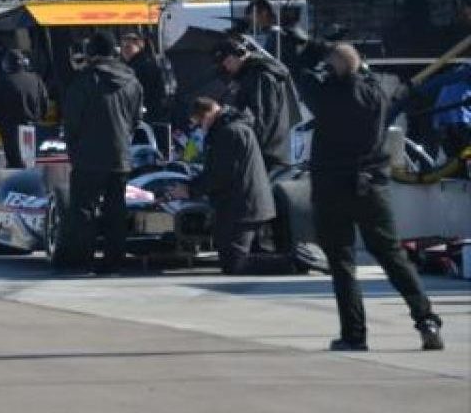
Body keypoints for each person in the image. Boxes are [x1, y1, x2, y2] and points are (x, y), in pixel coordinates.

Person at [290, 41, 443, 351]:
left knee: (342, 263)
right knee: (392, 255)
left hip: (332, 188)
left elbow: (299, 70)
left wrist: (314, 49)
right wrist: (351, 64)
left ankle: (354, 335)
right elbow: (365, 75)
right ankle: (426, 320)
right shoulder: (376, 94)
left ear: (332, 69)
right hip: (371, 187)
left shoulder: (323, 95)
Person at [181, 98, 305, 275]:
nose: (200, 128)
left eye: (199, 123)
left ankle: (294, 262)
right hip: (246, 204)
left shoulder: (229, 133)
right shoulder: (231, 129)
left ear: (207, 115)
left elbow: (220, 174)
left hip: (244, 207)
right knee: (240, 256)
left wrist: (190, 189)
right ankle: (289, 260)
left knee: (235, 263)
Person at [61, 32, 143, 273]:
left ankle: (81, 260)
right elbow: (136, 119)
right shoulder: (131, 80)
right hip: (121, 155)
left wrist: (74, 147)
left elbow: (72, 119)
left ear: (91, 53)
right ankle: (114, 261)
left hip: (88, 155)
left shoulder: (86, 79)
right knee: (115, 210)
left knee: (83, 209)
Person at [214, 36, 294, 176]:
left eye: (228, 61)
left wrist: (247, 148)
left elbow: (261, 118)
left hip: (266, 155)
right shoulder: (250, 76)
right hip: (270, 151)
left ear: (240, 55)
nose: (226, 67)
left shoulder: (259, 76)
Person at [0, 49, 48, 169]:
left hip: (11, 129)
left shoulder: (4, 82)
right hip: (33, 127)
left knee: (15, 166)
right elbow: (44, 102)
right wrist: (39, 119)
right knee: (31, 164)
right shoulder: (36, 79)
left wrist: (0, 127)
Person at [120, 33, 168, 124]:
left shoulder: (138, 66)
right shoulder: (146, 62)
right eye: (122, 47)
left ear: (139, 46)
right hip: (154, 112)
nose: (124, 51)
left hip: (146, 113)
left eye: (128, 47)